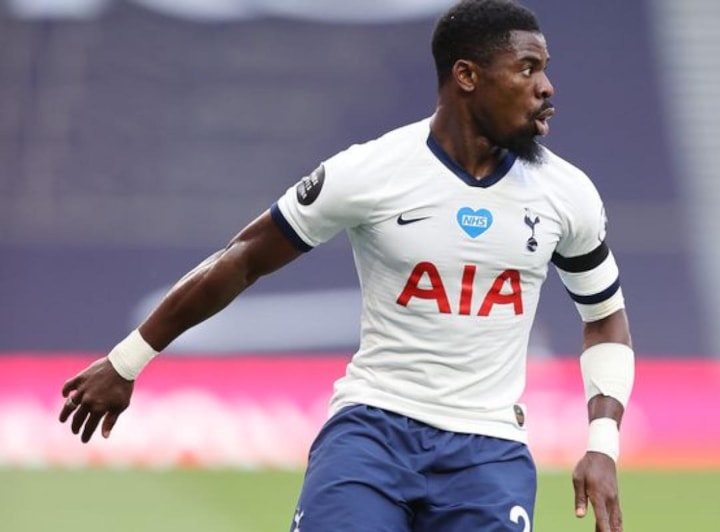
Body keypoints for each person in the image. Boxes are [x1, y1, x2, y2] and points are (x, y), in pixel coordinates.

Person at [59, 1, 635, 530]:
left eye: (544, 70)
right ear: (467, 76)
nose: (546, 87)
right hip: (373, 432)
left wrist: (602, 446)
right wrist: (128, 360)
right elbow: (243, 259)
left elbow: (605, 319)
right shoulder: (372, 171)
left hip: (488, 448)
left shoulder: (567, 194)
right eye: (527, 69)